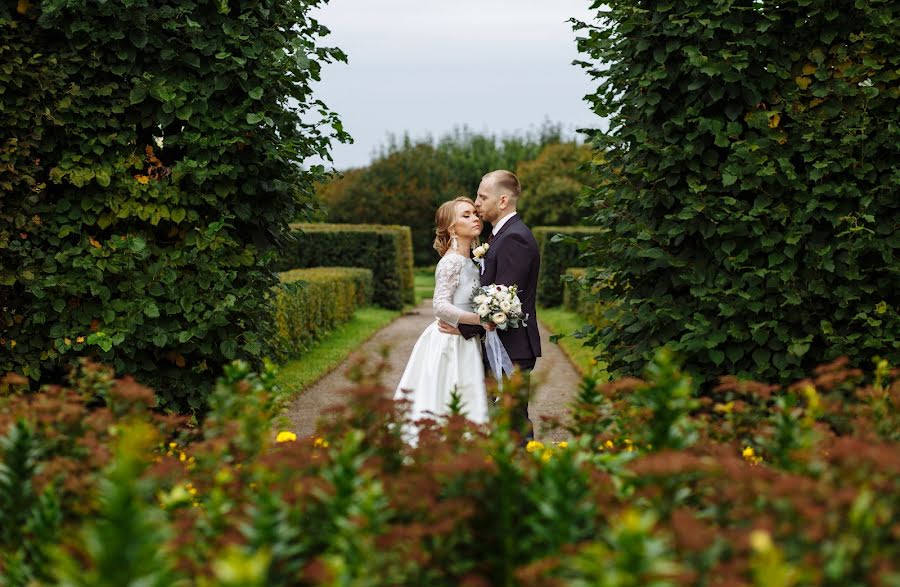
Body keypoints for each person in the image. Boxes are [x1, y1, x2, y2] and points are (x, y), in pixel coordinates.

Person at [439, 170, 541, 441]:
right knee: (495, 418)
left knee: (513, 420)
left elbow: (504, 303)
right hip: (500, 344)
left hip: (512, 347)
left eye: (482, 197)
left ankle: (522, 474)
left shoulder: (514, 238)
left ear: (503, 200)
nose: (477, 203)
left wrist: (464, 329)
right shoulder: (499, 236)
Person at [394, 197, 493, 441]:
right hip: (450, 341)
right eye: (466, 215)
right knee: (448, 394)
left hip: (466, 338)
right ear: (451, 227)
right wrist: (480, 321)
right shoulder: (451, 262)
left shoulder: (474, 260)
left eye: (474, 213)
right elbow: (440, 306)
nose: (475, 218)